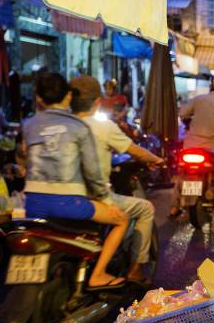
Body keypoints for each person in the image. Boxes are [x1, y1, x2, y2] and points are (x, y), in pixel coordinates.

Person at [23, 72, 129, 290]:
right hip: (69, 203)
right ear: (68, 96)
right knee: (122, 220)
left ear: (39, 99)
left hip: (32, 204)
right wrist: (106, 200)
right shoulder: (78, 126)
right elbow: (93, 171)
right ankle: (98, 274)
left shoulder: (29, 124)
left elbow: (25, 158)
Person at [70, 75, 164, 285]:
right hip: (92, 198)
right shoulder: (103, 126)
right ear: (97, 101)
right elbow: (136, 151)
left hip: (62, 196)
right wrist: (157, 159)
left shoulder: (62, 125)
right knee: (145, 208)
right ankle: (136, 268)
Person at [172, 75, 214, 217]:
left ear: (210, 88)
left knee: (182, 173)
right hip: (213, 147)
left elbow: (183, 113)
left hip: (189, 146)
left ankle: (174, 206)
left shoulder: (198, 100)